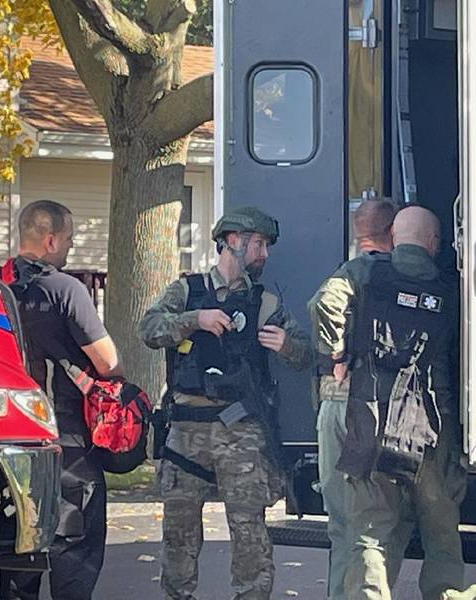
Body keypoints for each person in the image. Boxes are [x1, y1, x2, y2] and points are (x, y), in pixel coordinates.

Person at [139, 206, 313, 600]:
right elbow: (148, 328)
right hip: (185, 430)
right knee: (179, 529)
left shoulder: (265, 302)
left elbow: (305, 353)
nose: (264, 254)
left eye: (266, 246)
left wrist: (287, 346)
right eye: (258, 245)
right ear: (232, 242)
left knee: (249, 528)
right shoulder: (187, 291)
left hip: (242, 431)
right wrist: (194, 320)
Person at [337, 205, 466, 600]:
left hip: (374, 419)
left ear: (393, 237)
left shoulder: (364, 274)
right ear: (434, 243)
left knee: (373, 530)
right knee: (441, 528)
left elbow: (323, 306)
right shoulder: (453, 290)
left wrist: (335, 357)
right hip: (432, 426)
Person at [0, 200, 122, 600]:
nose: (69, 248)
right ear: (50, 240)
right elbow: (107, 362)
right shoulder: (65, 289)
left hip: (6, 439)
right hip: (65, 440)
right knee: (74, 547)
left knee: (20, 549)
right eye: (67, 239)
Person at [308, 199, 397, 600]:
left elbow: (323, 304)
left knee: (341, 521)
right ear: (392, 233)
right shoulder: (393, 274)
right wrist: (340, 353)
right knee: (374, 521)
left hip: (336, 406)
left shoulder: (351, 271)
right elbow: (324, 302)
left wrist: (335, 355)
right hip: (376, 407)